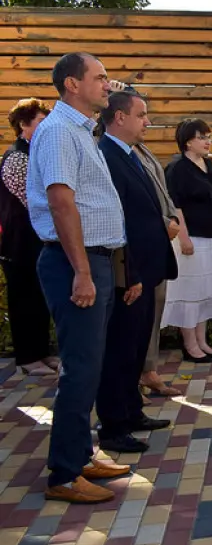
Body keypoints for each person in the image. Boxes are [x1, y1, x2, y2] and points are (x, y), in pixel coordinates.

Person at [27, 52, 132, 502]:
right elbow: (61, 202)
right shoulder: (55, 133)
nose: (108, 85)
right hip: (75, 263)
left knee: (90, 367)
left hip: (94, 261)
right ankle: (65, 475)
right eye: (100, 77)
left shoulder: (81, 132)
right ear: (72, 84)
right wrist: (84, 272)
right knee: (80, 369)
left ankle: (80, 453)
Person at [94, 90, 175, 453]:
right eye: (141, 115)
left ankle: (132, 410)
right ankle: (114, 425)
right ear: (119, 118)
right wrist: (130, 274)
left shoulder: (130, 154)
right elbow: (117, 219)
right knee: (121, 350)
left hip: (147, 268)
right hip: (130, 273)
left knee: (138, 344)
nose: (147, 122)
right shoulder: (106, 155)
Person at [163, 118, 212, 362]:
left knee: (206, 291)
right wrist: (184, 238)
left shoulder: (210, 165)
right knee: (190, 291)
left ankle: (202, 341)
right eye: (202, 137)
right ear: (187, 142)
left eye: (209, 137)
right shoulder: (177, 169)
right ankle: (189, 344)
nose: (207, 142)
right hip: (193, 239)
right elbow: (176, 205)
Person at [1, 98, 57, 377]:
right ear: (23, 125)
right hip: (19, 244)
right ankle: (27, 357)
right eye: (40, 122)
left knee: (40, 298)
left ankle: (43, 352)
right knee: (23, 298)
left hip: (38, 242)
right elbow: (36, 200)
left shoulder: (37, 154)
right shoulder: (16, 158)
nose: (46, 127)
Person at [129, 113, 184, 397]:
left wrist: (172, 217)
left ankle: (148, 370)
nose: (148, 122)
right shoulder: (109, 150)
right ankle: (132, 378)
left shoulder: (143, 150)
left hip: (158, 243)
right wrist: (164, 224)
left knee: (154, 308)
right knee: (136, 315)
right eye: (140, 115)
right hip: (137, 247)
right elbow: (128, 202)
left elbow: (162, 192)